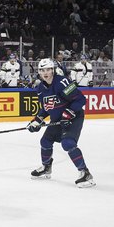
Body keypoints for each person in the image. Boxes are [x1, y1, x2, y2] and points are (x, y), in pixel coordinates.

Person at [27, 58, 95, 188]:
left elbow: (80, 99)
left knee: (68, 143)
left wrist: (68, 113)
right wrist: (37, 120)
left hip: (74, 117)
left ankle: (85, 173)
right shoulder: (40, 89)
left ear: (52, 70)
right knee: (45, 142)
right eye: (42, 70)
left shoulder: (62, 82)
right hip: (58, 119)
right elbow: (47, 108)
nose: (45, 72)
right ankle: (46, 168)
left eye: (48, 69)